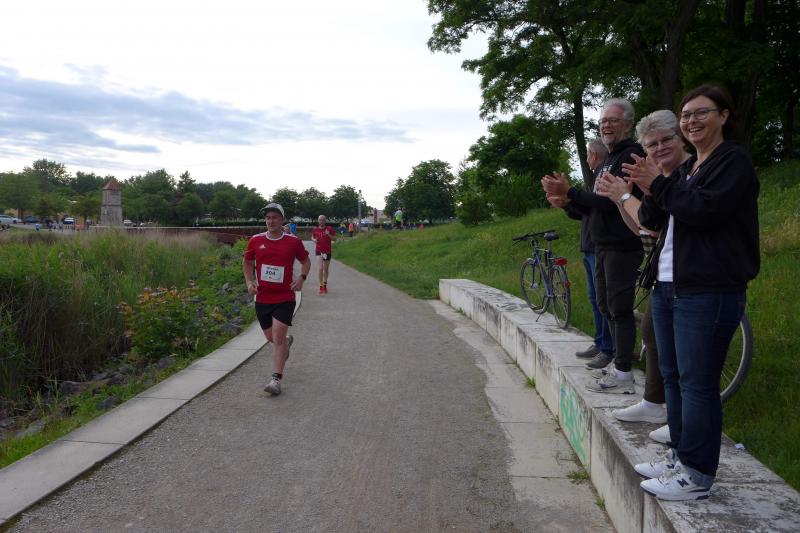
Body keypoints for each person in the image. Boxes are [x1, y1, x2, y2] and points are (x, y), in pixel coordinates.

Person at [625, 85, 759, 501]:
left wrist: (660, 183)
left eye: (701, 112)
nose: (691, 121)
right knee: (673, 377)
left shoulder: (731, 161)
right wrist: (655, 182)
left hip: (708, 290)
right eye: (686, 115)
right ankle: (680, 456)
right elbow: (652, 220)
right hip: (669, 287)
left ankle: (697, 474)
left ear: (724, 116)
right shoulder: (686, 170)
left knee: (698, 383)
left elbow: (703, 211)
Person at [595, 110, 692, 430]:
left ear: (681, 138)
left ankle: (678, 424)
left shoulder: (686, 173)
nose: (659, 148)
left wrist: (625, 195)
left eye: (666, 140)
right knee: (652, 334)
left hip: (690, 277)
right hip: (662, 273)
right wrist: (621, 199)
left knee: (684, 363)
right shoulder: (662, 178)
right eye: (652, 144)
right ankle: (657, 406)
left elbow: (665, 219)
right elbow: (644, 226)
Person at [542, 98, 645, 394]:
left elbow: (614, 202)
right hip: (601, 246)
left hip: (622, 245)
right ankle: (617, 361)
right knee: (605, 305)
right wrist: (566, 202)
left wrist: (572, 191)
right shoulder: (608, 160)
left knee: (619, 308)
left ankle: (623, 371)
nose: (606, 126)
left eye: (613, 120)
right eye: (602, 122)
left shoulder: (631, 155)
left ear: (628, 124)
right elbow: (593, 207)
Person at [546, 139, 614, 363]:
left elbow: (600, 208)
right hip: (590, 248)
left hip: (598, 248)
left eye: (587, 154)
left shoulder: (604, 177)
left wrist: (569, 195)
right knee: (595, 299)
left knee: (602, 300)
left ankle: (608, 348)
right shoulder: (596, 178)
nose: (586, 159)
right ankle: (600, 343)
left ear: (593, 155)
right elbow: (586, 213)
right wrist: (565, 204)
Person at [242, 203, 311, 396]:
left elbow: (306, 261)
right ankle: (286, 342)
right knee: (271, 338)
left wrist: (301, 278)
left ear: (282, 220)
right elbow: (247, 262)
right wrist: (249, 282)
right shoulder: (256, 240)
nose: (270, 221)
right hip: (262, 297)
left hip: (284, 297)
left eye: (274, 217)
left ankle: (276, 380)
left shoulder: (293, 241)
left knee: (278, 337)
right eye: (268, 218)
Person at [311, 214, 336, 294]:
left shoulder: (329, 229)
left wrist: (328, 234)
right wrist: (314, 240)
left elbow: (334, 239)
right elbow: (312, 237)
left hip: (327, 251)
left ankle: (325, 284)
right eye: (320, 220)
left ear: (325, 221)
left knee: (326, 269)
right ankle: (321, 285)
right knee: (320, 268)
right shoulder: (315, 229)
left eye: (323, 220)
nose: (321, 221)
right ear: (318, 221)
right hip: (318, 251)